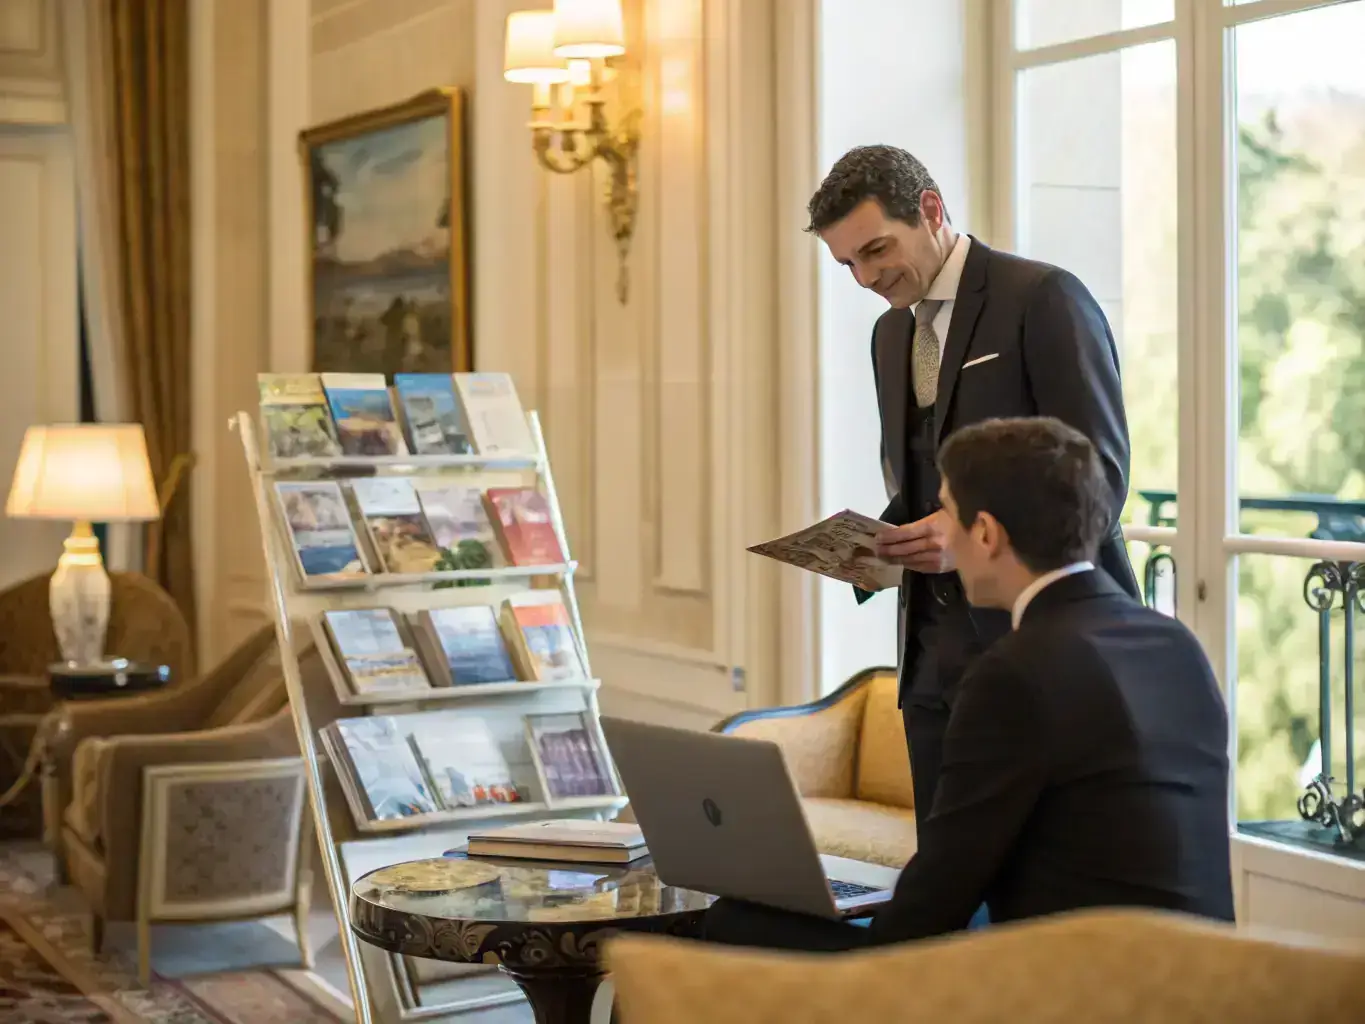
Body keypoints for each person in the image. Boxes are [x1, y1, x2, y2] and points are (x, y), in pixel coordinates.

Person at [702, 417, 1234, 951]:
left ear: (985, 533)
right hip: (1200, 981)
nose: (944, 540)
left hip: (1078, 989)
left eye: (949, 518)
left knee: (731, 923)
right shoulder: (1176, 645)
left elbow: (939, 897)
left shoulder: (1015, 673)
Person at [806, 145, 1143, 820]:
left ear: (930, 210)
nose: (865, 277)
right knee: (950, 879)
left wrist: (966, 537)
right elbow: (920, 478)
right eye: (847, 264)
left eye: (875, 251)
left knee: (1039, 893)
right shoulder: (887, 336)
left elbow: (1099, 481)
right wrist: (876, 542)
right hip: (929, 663)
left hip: (1039, 652)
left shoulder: (1042, 299)